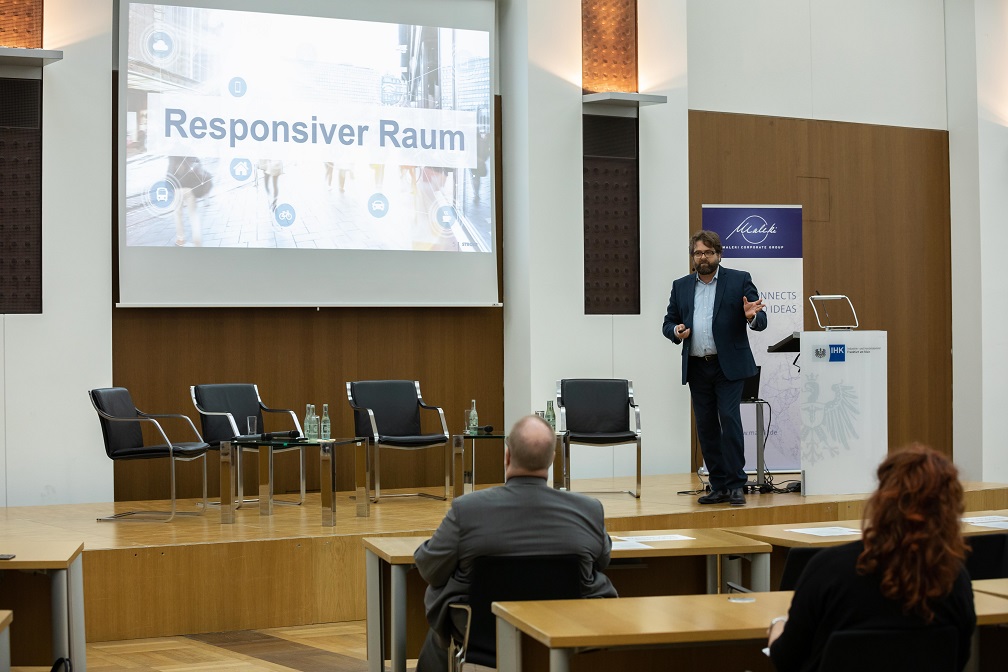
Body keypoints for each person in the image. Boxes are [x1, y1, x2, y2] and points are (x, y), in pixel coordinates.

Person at [413, 415, 617, 671]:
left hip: (482, 635)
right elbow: (603, 560)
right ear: (552, 459)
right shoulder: (589, 510)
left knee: (440, 625)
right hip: (567, 630)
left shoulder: (467, 510)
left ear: (507, 456)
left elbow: (430, 569)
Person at [767, 444, 976, 671]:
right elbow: (959, 659)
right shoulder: (952, 578)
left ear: (881, 502)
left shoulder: (828, 568)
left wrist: (777, 626)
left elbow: (786, 659)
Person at [662, 229, 766, 506]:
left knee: (729, 420)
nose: (703, 257)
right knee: (706, 426)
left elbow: (761, 319)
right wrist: (676, 331)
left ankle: (736, 484)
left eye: (708, 252)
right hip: (697, 366)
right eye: (698, 253)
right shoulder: (681, 286)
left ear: (719, 254)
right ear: (692, 257)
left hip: (727, 366)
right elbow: (668, 322)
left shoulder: (739, 280)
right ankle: (718, 485)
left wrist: (751, 317)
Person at [166, 155, 205, 246]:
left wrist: (168, 187)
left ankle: (181, 239)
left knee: (178, 215)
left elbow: (170, 171)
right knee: (193, 215)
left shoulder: (173, 155)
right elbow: (198, 166)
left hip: (177, 189)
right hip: (190, 188)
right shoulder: (190, 152)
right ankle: (197, 240)